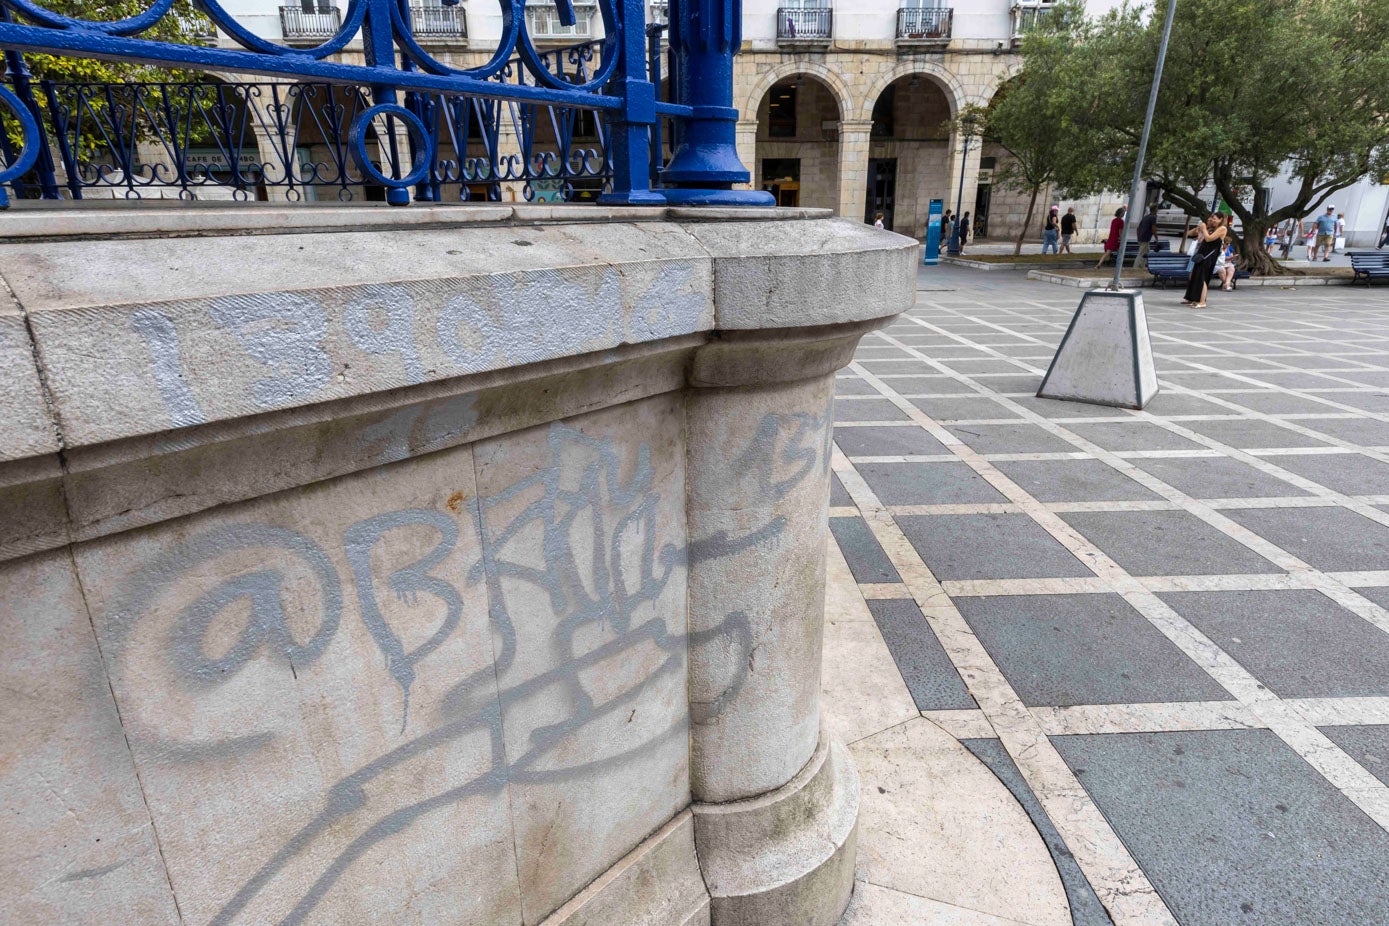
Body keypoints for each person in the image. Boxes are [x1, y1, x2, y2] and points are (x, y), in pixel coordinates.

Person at [1183, 213, 1227, 307]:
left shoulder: (1222, 229)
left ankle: (1202, 302)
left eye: (1214, 219)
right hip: (1201, 255)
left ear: (1220, 219)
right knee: (1195, 276)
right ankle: (1193, 298)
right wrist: (1200, 228)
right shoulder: (1209, 228)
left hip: (1209, 256)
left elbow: (1208, 239)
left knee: (1202, 277)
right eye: (1210, 218)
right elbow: (1189, 233)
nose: (1212, 220)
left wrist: (1203, 229)